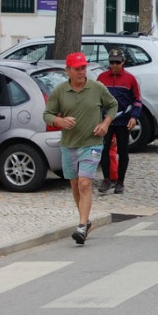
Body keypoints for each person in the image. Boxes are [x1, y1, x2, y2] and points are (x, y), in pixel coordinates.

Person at [44, 53, 118, 245]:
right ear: (67, 70)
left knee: (85, 184)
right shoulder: (60, 91)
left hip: (92, 144)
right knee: (75, 185)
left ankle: (82, 225)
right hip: (68, 145)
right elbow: (47, 114)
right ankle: (86, 221)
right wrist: (59, 120)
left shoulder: (97, 88)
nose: (81, 72)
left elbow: (113, 106)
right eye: (77, 69)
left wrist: (106, 123)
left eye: (83, 68)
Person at [97, 48, 142, 195]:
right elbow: (96, 100)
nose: (114, 65)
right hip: (106, 121)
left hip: (123, 120)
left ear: (123, 62)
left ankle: (120, 181)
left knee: (123, 152)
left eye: (117, 62)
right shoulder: (102, 78)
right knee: (103, 150)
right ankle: (106, 179)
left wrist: (134, 117)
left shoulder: (130, 79)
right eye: (112, 62)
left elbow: (137, 100)